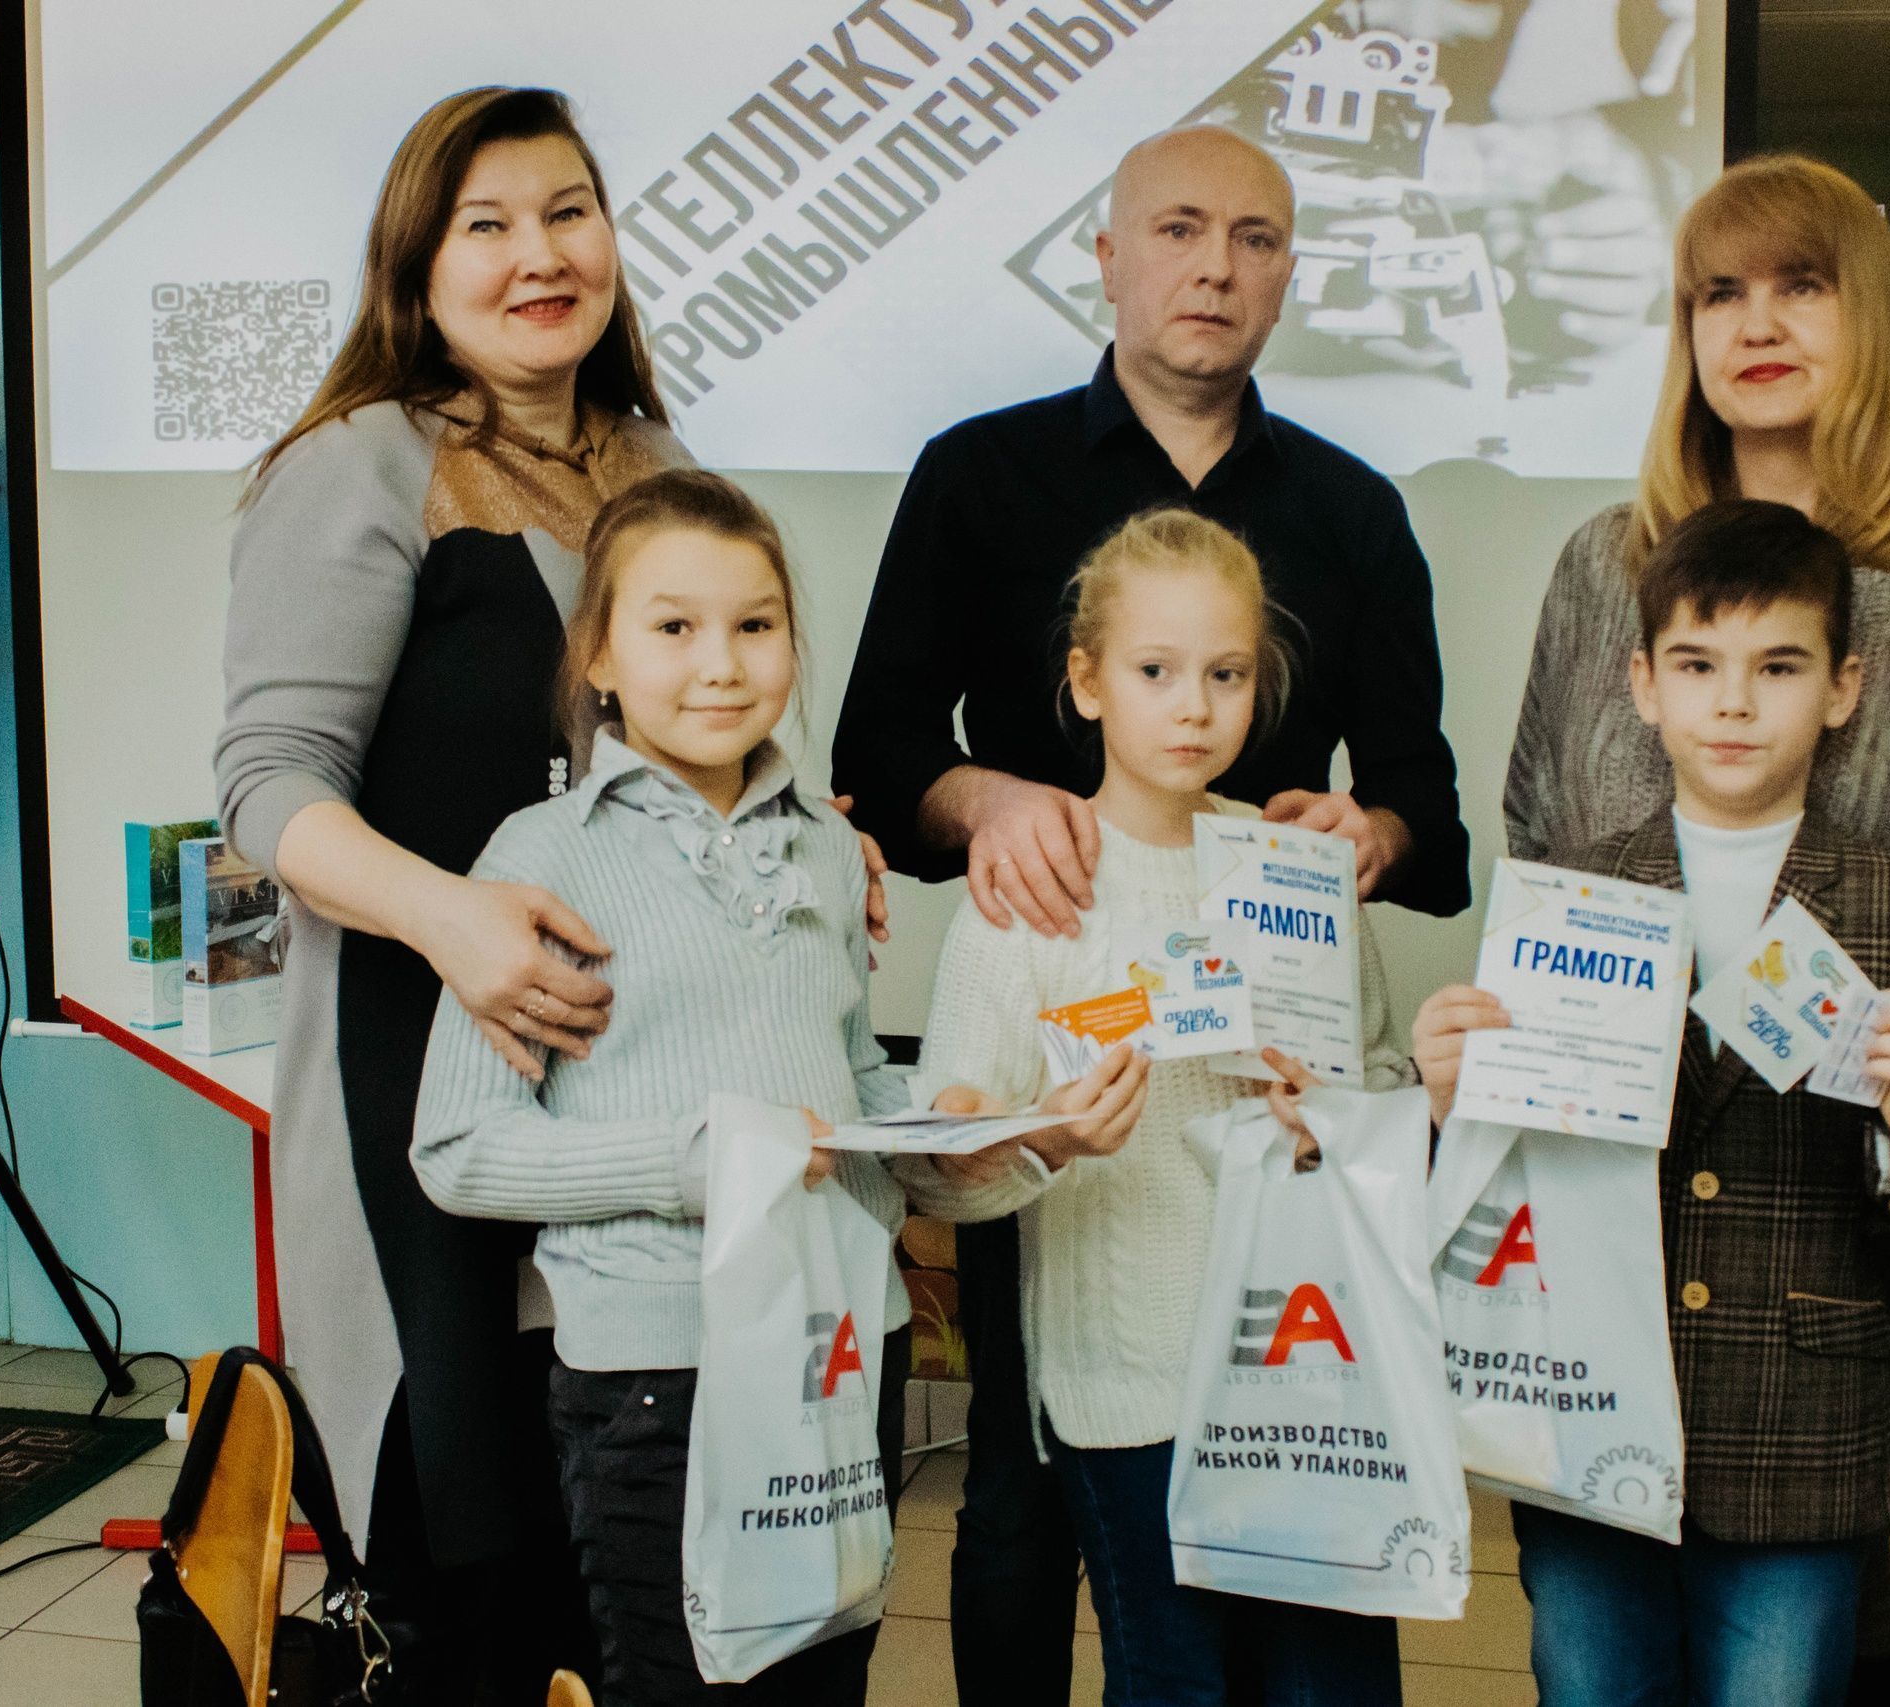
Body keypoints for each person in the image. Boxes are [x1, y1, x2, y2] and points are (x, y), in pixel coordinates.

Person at [832, 123, 1469, 1704]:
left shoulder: (1356, 509)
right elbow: (877, 749)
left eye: (1256, 238)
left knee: (1293, 1611)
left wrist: (1365, 835)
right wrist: (991, 802)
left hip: (1277, 1145)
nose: (1215, 266)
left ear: (1289, 275)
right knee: (1019, 1497)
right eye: (1179, 229)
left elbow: (1424, 808)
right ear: (1107, 257)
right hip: (1054, 1041)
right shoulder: (979, 473)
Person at [1500, 152, 1890, 1704]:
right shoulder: (1604, 563)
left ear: (1869, 311)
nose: (1756, 323)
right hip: (1615, 1175)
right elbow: (1539, 835)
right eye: (1720, 293)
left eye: (1801, 285)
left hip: (1838, 1171)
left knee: (1818, 1558)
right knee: (1606, 1581)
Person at [216, 87, 699, 1702]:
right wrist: (451, 918)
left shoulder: (658, 468)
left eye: (568, 212)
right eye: (487, 225)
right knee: (460, 1561)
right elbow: (271, 780)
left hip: (633, 1086)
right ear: (417, 269)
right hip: (417, 1071)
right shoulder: (361, 463)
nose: (538, 255)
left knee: (623, 1573)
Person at [407, 470, 1037, 1706]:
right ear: (598, 655)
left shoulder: (827, 845)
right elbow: (459, 1149)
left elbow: (849, 1087)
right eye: (673, 626)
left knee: (825, 1686)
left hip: (840, 1354)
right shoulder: (540, 856)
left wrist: (971, 1143)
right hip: (659, 1381)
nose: (721, 664)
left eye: (755, 624)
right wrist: (698, 1163)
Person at [1427, 500, 1890, 1706]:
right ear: (1643, 685)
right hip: (1585, 1413)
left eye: (1777, 667)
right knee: (1591, 1689)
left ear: (1842, 689)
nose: (1733, 703)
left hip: (1803, 1425)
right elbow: (1500, 1188)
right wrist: (1448, 1105)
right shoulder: (1566, 895)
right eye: (1697, 665)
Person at [909, 508, 1410, 1707]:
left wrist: (1326, 1110)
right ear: (1085, 684)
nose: (1193, 708)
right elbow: (938, 1159)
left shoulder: (1294, 871)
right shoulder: (1031, 884)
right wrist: (1043, 1135)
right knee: (1175, 1682)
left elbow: (1384, 1089)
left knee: (1331, 1686)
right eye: (1154, 672)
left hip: (1306, 1376)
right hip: (1127, 1387)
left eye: (1225, 675)